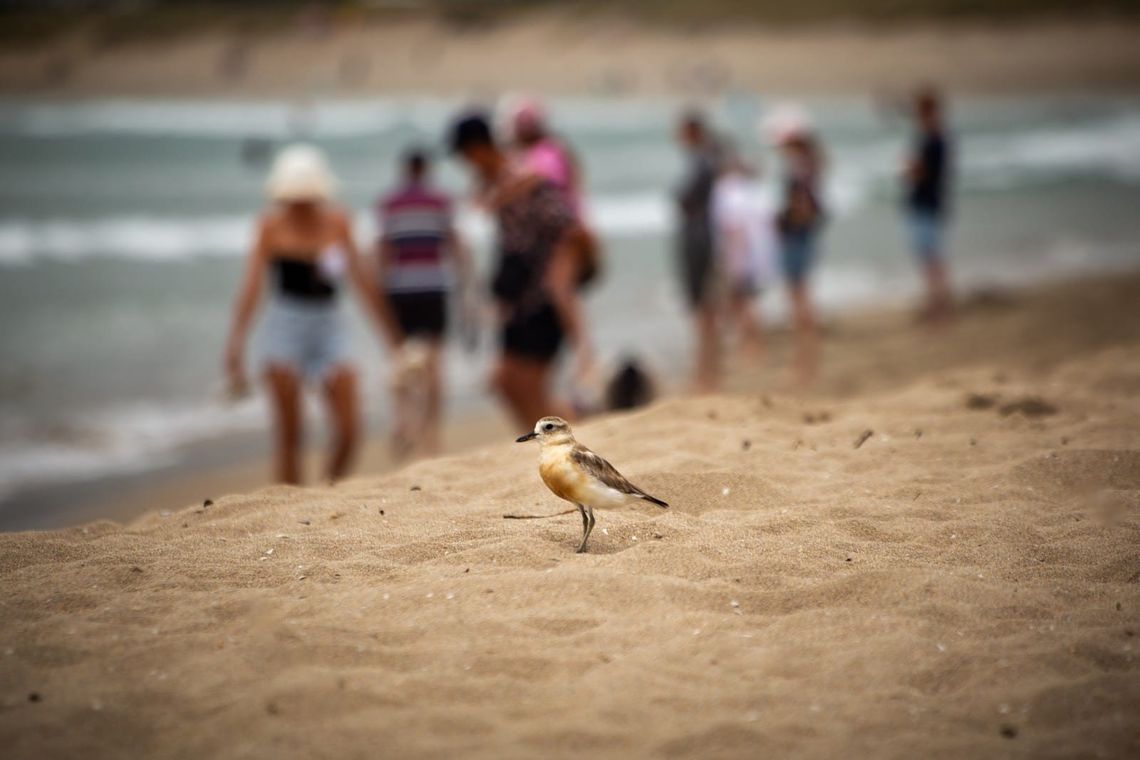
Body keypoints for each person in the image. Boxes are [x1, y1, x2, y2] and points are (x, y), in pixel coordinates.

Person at [224, 144, 398, 485]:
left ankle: (327, 489)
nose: (300, 204)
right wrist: (235, 346)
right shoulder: (269, 227)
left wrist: (391, 337)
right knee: (290, 435)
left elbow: (362, 280)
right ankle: (292, 508)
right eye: (294, 198)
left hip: (330, 322)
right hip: (284, 325)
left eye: (307, 197)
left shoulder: (339, 222)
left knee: (350, 430)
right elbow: (252, 287)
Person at [448, 111, 593, 428]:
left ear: (477, 149)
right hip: (518, 300)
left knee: (527, 386)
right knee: (505, 383)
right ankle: (551, 445)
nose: (467, 164)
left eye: (465, 156)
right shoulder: (497, 183)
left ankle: (572, 443)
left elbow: (571, 227)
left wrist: (561, 275)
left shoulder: (526, 181)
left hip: (540, 299)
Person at [376, 147, 472, 459]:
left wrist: (379, 290)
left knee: (401, 359)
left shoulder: (388, 204)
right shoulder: (440, 201)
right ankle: (431, 433)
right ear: (426, 170)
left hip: (400, 288)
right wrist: (465, 285)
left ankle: (404, 420)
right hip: (433, 286)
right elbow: (454, 243)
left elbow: (383, 250)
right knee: (434, 364)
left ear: (405, 171)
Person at [506, 97, 602, 289]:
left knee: (560, 292)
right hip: (561, 231)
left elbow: (541, 177)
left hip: (565, 231)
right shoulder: (550, 151)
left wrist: (497, 198)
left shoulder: (546, 152)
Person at [768, 105, 826, 387]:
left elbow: (803, 209)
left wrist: (782, 221)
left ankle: (805, 363)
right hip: (802, 238)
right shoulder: (809, 164)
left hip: (796, 239)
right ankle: (805, 361)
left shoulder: (799, 167)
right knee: (801, 300)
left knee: (799, 301)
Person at [711, 145, 777, 365]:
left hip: (739, 257)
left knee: (742, 302)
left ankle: (752, 346)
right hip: (752, 256)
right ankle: (750, 345)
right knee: (743, 302)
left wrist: (730, 262)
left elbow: (734, 229)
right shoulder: (747, 189)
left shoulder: (728, 191)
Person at [674, 110, 722, 392]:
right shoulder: (709, 158)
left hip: (698, 239)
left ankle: (706, 372)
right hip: (704, 236)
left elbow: (685, 198)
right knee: (706, 307)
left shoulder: (701, 161)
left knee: (703, 307)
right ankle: (706, 370)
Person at [904, 87, 953, 324]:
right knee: (930, 258)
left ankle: (938, 307)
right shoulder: (936, 137)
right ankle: (937, 304)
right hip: (930, 203)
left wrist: (910, 168)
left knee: (930, 258)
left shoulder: (932, 140)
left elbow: (922, 174)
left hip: (926, 204)